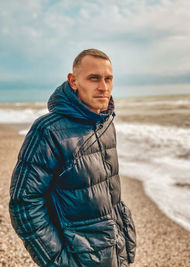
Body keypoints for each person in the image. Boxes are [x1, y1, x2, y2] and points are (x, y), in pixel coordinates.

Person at [9, 49, 136, 267]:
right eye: (94, 78)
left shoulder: (105, 123)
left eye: (108, 79)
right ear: (73, 81)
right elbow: (23, 204)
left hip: (115, 252)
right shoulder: (48, 131)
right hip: (78, 258)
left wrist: (125, 238)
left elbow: (109, 194)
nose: (103, 87)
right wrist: (59, 262)